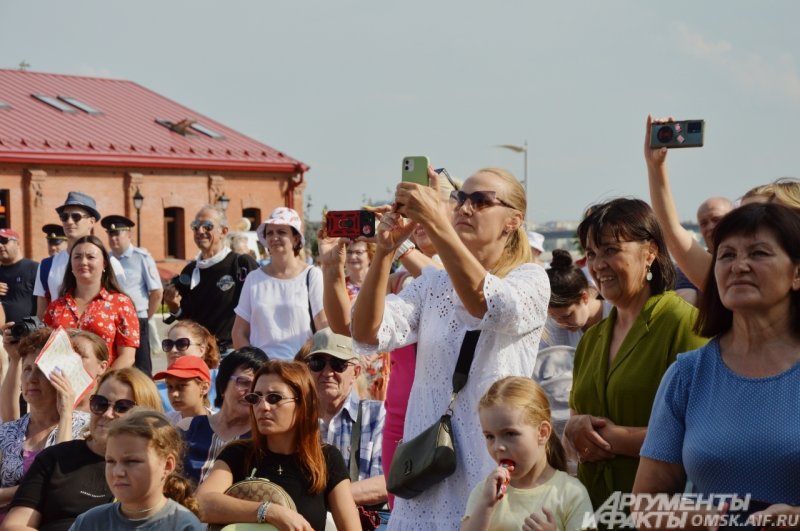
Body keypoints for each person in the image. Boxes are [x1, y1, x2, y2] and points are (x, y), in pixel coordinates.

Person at [352, 166, 550, 530]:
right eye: (461, 198)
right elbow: (366, 333)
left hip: (490, 473)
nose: (465, 208)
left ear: (513, 221)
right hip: (428, 475)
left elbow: (484, 304)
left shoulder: (531, 279)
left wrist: (435, 222)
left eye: (481, 201)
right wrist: (383, 253)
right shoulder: (432, 284)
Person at [633, 203, 800, 524]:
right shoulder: (687, 375)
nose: (739, 266)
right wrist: (700, 518)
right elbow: (645, 508)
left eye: (759, 253)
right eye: (726, 255)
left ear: (796, 273)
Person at [563, 198, 707, 509]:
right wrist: (573, 429)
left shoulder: (682, 322)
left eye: (611, 250)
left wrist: (619, 440)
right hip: (594, 511)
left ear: (651, 252)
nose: (598, 264)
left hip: (662, 515)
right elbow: (578, 416)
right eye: (591, 254)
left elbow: (705, 434)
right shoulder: (593, 337)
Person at [196, 360, 361, 531]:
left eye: (274, 398)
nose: (263, 406)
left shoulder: (327, 458)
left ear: (303, 404)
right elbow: (200, 504)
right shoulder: (237, 453)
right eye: (255, 398)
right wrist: (270, 511)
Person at [644, 116, 799, 294]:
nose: (739, 268)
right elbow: (671, 231)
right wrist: (655, 166)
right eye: (740, 218)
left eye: (765, 218)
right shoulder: (731, 280)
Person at [2, 367, 163, 531]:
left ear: (146, 415)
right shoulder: (54, 458)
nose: (107, 414)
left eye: (122, 407)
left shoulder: (153, 470)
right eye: (100, 403)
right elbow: (14, 525)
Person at [461, 376, 592, 531]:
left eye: (510, 434)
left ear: (542, 433)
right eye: (489, 436)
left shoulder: (572, 493)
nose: (498, 447)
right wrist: (486, 506)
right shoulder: (484, 493)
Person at [0, 328, 90, 522]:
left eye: (41, 370)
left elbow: (61, 484)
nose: (32, 379)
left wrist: (65, 415)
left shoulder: (86, 428)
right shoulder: (7, 431)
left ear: (63, 378)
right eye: (27, 369)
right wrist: (32, 489)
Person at [70, 408, 203, 530]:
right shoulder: (89, 523)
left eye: (132, 461)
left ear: (167, 465)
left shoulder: (185, 526)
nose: (118, 472)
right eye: (111, 461)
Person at [300, 328, 387, 507]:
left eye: (338, 363)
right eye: (318, 363)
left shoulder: (378, 414)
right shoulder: (296, 418)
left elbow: (386, 483)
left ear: (355, 373)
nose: (327, 372)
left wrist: (323, 499)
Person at [232, 207, 326, 360]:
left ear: (296, 238)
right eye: (269, 233)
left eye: (281, 232)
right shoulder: (253, 279)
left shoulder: (312, 275)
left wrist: (305, 363)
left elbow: (322, 326)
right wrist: (254, 366)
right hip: (262, 373)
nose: (274, 237)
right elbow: (238, 333)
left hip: (301, 370)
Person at [163, 205, 259, 352]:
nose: (200, 231)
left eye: (207, 226)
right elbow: (187, 318)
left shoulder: (241, 264)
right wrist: (173, 306)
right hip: (199, 353)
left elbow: (263, 304)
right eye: (195, 226)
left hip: (232, 353)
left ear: (223, 231)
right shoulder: (189, 271)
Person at [43, 235, 139, 368]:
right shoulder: (56, 306)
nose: (83, 262)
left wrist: (102, 385)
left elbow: (127, 357)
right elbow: (45, 350)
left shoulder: (121, 303)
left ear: (104, 263)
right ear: (70, 264)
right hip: (61, 384)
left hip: (105, 384)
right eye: (77, 257)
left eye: (90, 257)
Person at [178, 346, 267, 485]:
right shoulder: (189, 427)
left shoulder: (262, 438)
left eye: (257, 387)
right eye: (244, 382)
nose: (250, 392)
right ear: (223, 385)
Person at [33, 192, 125, 319]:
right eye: (64, 217)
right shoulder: (46, 265)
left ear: (92, 221)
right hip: (60, 336)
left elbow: (123, 310)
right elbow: (41, 315)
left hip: (100, 335)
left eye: (76, 217)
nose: (69, 221)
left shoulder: (110, 263)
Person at [102, 214, 163, 376]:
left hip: (137, 319)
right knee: (117, 368)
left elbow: (156, 292)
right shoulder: (105, 260)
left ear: (128, 235)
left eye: (117, 234)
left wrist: (146, 318)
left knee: (142, 369)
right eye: (110, 234)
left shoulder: (141, 257)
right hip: (112, 321)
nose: (113, 238)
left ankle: (146, 401)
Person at [541, 249, 611, 349]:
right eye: (554, 317)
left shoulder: (618, 315)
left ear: (584, 298)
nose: (561, 323)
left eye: (567, 316)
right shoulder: (555, 327)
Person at [157, 320, 221, 414]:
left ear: (201, 349)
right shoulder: (156, 391)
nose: (173, 350)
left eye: (182, 344)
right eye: (168, 344)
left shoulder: (222, 378)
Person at [154, 355, 212, 424]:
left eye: (182, 386)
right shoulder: (165, 423)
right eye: (170, 386)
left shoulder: (219, 426)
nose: (174, 394)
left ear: (204, 388)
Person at [0, 229, 38, 328]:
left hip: (27, 336)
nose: (0, 245)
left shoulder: (35, 269)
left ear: (17, 243)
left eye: (4, 240)